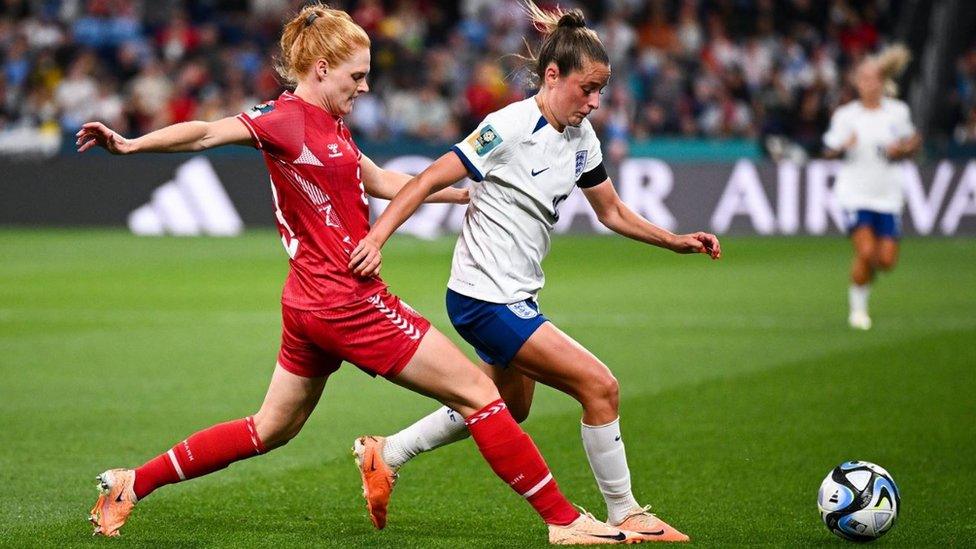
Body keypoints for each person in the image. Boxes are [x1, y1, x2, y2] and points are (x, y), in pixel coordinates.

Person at [78, 5, 642, 545]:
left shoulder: (331, 124)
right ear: (321, 69)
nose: (365, 87)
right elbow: (203, 131)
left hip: (306, 302)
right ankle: (564, 519)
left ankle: (133, 482)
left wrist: (463, 192)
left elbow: (377, 179)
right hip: (345, 299)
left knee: (269, 428)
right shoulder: (282, 120)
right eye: (358, 75)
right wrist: (131, 144)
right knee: (481, 394)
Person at [348, 2, 721, 543]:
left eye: (601, 90)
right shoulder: (507, 128)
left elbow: (611, 211)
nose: (594, 102)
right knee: (600, 387)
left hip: (514, 294)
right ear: (552, 76)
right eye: (587, 88)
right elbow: (429, 177)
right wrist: (377, 237)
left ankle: (388, 453)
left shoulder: (581, 139)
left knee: (507, 407)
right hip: (484, 299)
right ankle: (626, 513)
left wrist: (675, 241)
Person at [823, 45, 920, 330]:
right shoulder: (846, 116)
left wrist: (901, 150)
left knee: (886, 261)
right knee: (865, 253)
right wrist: (843, 147)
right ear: (857, 83)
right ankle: (858, 310)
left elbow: (912, 143)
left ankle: (864, 278)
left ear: (882, 82)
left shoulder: (898, 113)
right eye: (864, 79)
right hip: (854, 194)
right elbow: (828, 150)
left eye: (874, 79)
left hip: (888, 195)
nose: (869, 84)